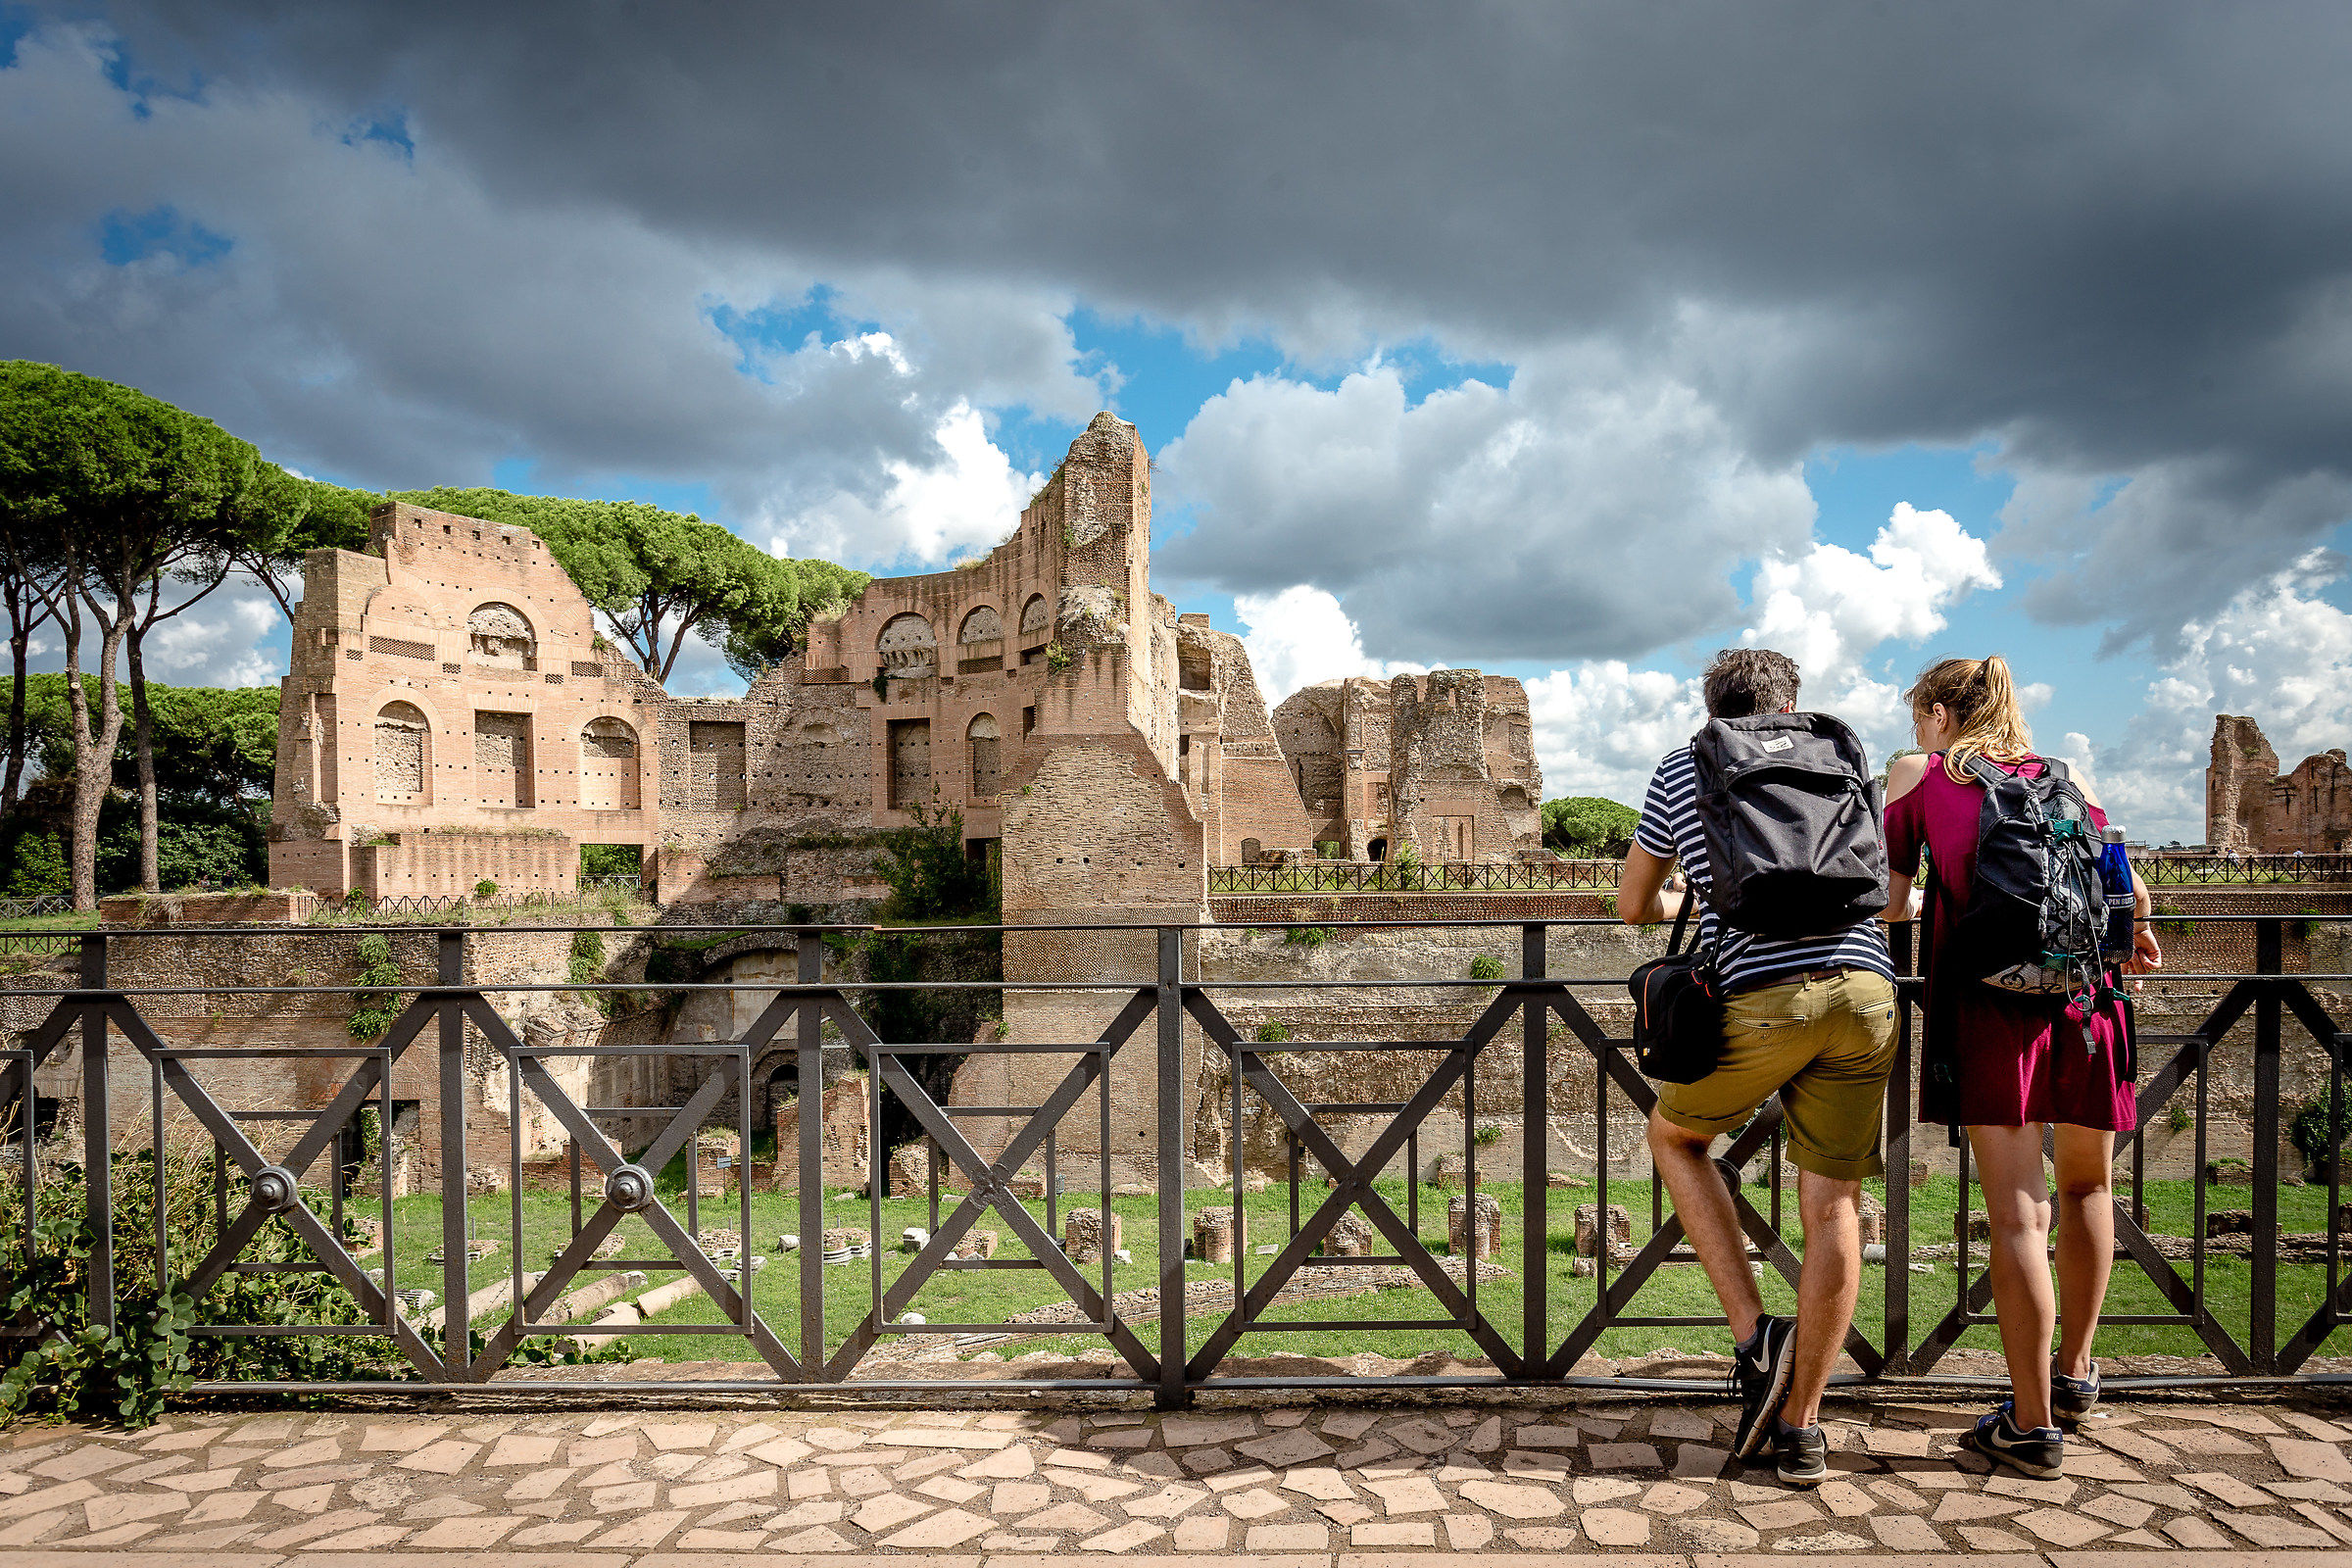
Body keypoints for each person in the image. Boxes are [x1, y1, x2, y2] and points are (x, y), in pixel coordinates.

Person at [1620, 649, 1897, 1487]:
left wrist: (1690, 896)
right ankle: (1805, 1428)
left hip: (1760, 999)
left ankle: (1755, 1339)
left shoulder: (1683, 766)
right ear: (1791, 703)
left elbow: (1635, 904)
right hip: (1867, 991)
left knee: (1675, 1140)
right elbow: (1882, 891)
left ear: (1714, 710)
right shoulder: (1844, 755)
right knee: (1834, 1202)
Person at [1885, 656, 2160, 1479]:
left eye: (1916, 716)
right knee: (2087, 1191)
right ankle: (2076, 1375)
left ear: (1939, 712)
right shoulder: (2064, 776)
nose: (1914, 732)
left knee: (2018, 1219)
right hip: (2088, 1005)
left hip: (1994, 1013)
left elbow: (1892, 900)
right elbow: (2132, 895)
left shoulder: (1919, 773)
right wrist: (2134, 934)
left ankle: (2032, 1425)